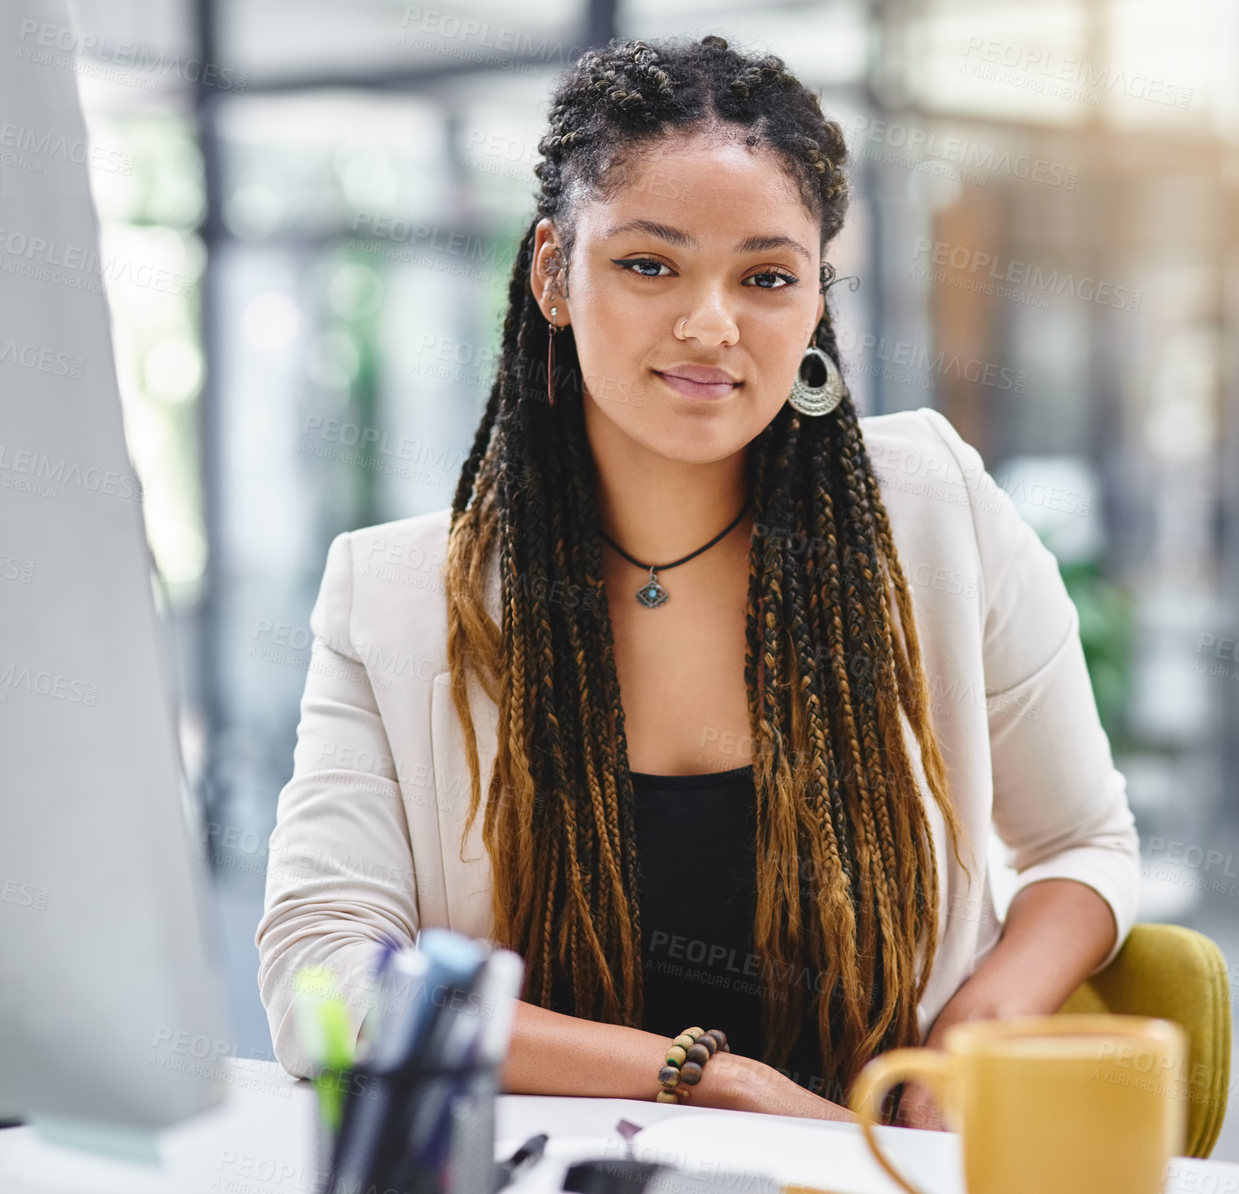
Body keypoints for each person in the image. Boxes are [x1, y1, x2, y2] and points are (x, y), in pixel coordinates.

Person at [256, 33, 1140, 1128]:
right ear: (551, 273)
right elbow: (320, 978)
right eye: (648, 264)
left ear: (816, 298)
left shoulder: (934, 513)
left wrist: (960, 1047)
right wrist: (704, 1079)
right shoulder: (392, 597)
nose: (710, 324)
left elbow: (1079, 848)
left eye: (766, 277)